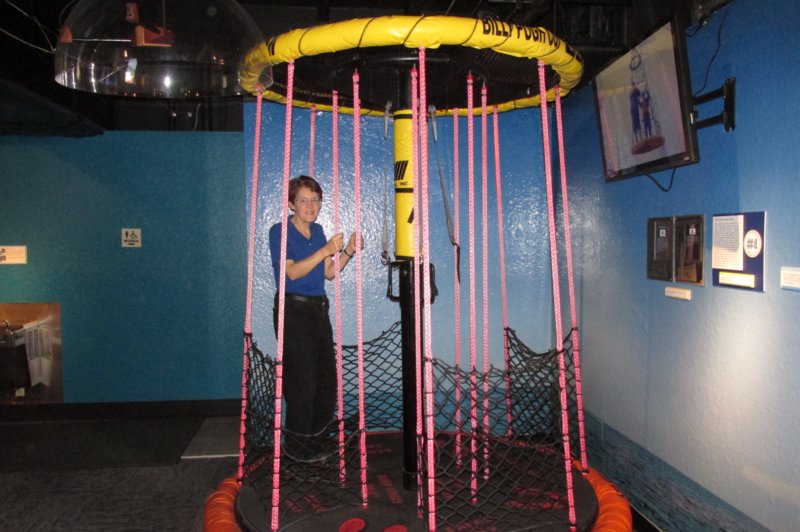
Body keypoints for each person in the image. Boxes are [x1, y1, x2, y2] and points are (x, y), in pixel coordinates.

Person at [269, 175, 361, 461]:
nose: (311, 206)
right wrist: (326, 250)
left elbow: (329, 273)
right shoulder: (280, 231)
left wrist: (348, 251)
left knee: (325, 382)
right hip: (293, 311)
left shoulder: (319, 231)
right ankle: (298, 451)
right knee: (302, 383)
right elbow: (292, 273)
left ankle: (316, 444)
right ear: (291, 204)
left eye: (315, 200)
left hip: (319, 310)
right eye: (303, 200)